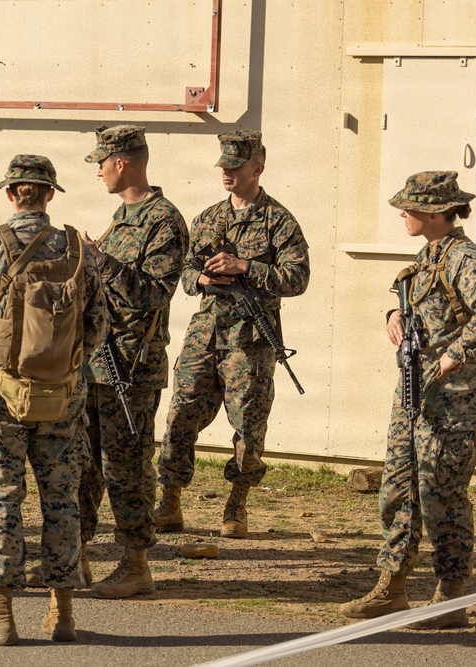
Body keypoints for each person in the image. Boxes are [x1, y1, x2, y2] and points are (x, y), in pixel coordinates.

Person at [0, 155, 107, 645]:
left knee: (2, 497)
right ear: (49, 194)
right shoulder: (78, 250)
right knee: (62, 498)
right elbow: (98, 329)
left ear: (12, 194)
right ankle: (63, 614)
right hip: (63, 395)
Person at [340, 171, 476, 629]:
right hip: (413, 392)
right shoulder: (429, 255)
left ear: (435, 213)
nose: (402, 214)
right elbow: (423, 309)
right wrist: (394, 314)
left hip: (453, 400)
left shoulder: (465, 259)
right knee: (397, 489)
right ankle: (392, 588)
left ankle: (449, 599)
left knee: (441, 494)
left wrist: (457, 352)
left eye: (410, 207)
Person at [155, 129, 310, 537]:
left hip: (250, 340)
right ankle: (169, 499)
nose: (227, 172)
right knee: (180, 415)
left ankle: (237, 502)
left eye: (236, 166)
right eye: (223, 165)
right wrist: (201, 279)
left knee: (248, 424)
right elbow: (185, 270)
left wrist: (246, 268)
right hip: (204, 335)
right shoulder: (207, 218)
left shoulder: (279, 222)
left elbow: (298, 278)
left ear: (257, 168)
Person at [77, 125, 188, 599]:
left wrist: (99, 261)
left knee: (126, 466)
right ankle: (74, 556)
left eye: (101, 163)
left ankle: (136, 564)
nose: (98, 172)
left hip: (131, 367)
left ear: (121, 163)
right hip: (94, 362)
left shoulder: (163, 221)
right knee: (83, 463)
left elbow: (156, 293)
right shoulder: (122, 217)